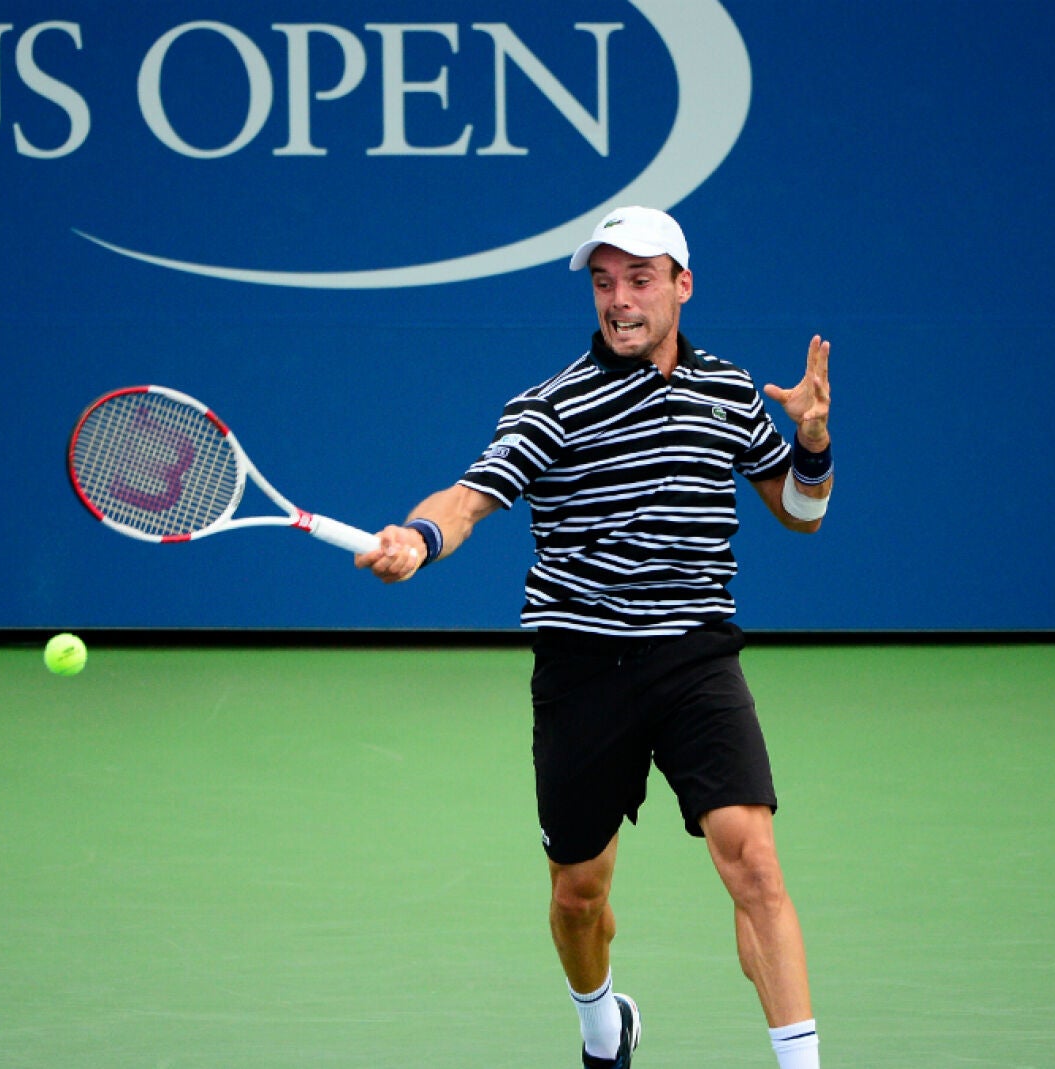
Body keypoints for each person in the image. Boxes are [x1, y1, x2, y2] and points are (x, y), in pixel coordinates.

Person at [356, 206, 832, 1069]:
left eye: (640, 279)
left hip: (695, 656)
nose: (619, 300)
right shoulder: (550, 406)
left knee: (753, 860)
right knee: (579, 896)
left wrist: (812, 442)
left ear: (682, 286)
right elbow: (468, 498)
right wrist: (418, 539)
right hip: (582, 668)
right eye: (604, 281)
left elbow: (800, 513)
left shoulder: (728, 391)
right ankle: (602, 1025)